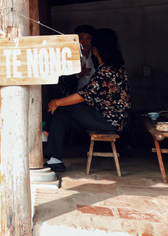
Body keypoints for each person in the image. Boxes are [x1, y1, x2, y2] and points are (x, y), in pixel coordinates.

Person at [44, 28, 130, 173]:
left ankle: (44, 135)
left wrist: (56, 102)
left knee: (62, 106)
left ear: (96, 50)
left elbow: (83, 95)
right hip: (102, 117)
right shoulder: (114, 68)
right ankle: (55, 160)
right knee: (61, 115)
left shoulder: (107, 71)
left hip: (108, 120)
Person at [57, 24, 96, 96]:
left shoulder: (97, 58)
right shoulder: (69, 57)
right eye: (81, 38)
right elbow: (61, 82)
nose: (84, 42)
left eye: (88, 38)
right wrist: (78, 75)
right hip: (74, 98)